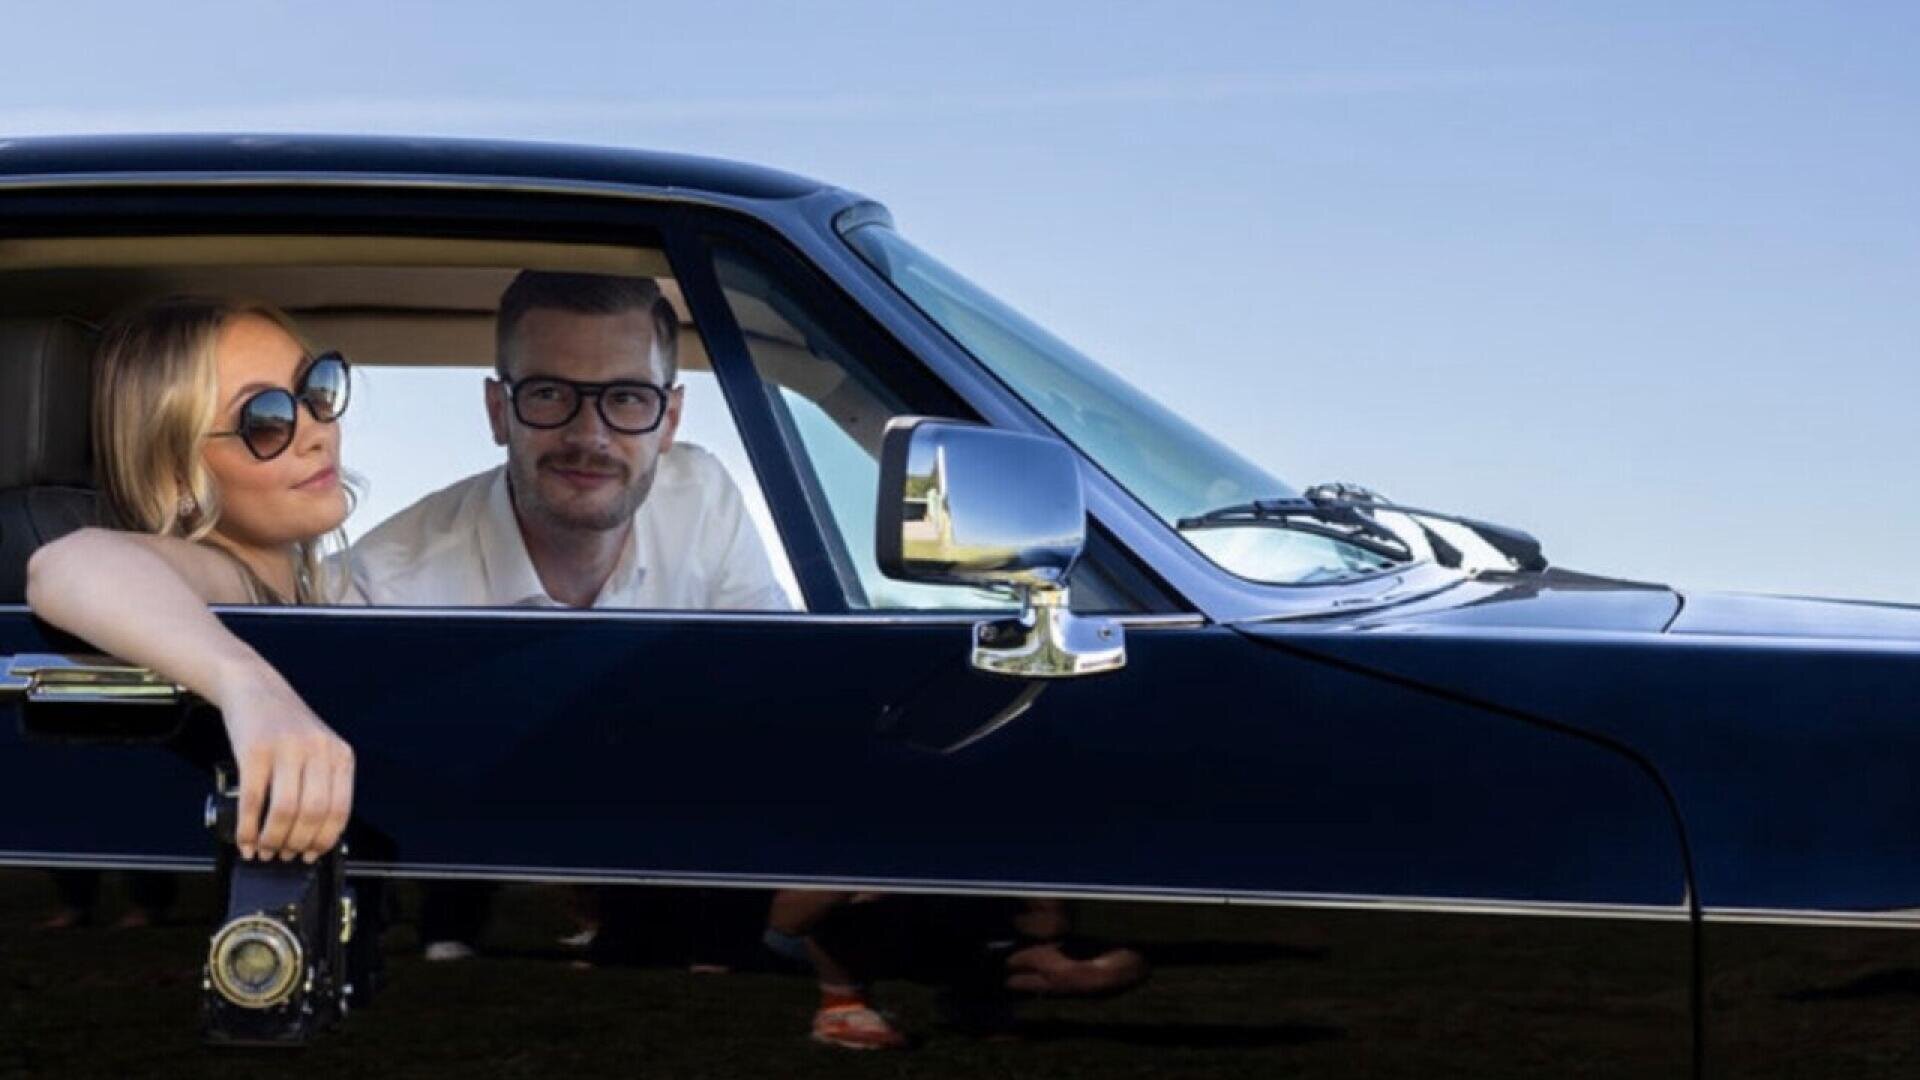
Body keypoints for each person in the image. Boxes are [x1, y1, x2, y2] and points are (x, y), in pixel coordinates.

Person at [343, 271, 789, 963]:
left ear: (670, 419)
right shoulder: (381, 587)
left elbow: (767, 712)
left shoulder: (703, 498)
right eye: (550, 394)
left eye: (627, 397)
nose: (590, 436)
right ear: (499, 411)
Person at [25, 297, 357, 864]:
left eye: (318, 389)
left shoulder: (317, 590)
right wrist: (250, 686)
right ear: (180, 475)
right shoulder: (227, 577)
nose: (317, 432)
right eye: (266, 421)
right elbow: (68, 563)